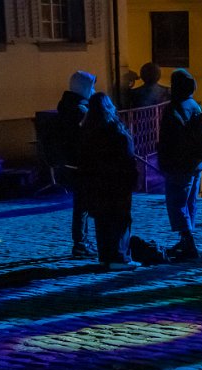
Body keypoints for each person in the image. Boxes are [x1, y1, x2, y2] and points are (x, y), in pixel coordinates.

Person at [79, 93, 141, 271]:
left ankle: (105, 256)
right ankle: (120, 257)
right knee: (120, 219)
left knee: (102, 219)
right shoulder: (117, 131)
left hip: (97, 183)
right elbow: (128, 160)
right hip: (117, 183)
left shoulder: (87, 132)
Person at [158, 68, 202, 260]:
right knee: (190, 203)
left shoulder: (174, 108)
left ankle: (188, 243)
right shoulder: (195, 105)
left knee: (176, 202)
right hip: (196, 163)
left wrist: (165, 162)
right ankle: (185, 240)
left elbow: (168, 139)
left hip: (179, 164)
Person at [57, 71, 98, 259]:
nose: (94, 90)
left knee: (81, 204)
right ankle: (80, 243)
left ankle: (82, 241)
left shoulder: (67, 106)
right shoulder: (80, 110)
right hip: (81, 164)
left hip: (71, 163)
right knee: (82, 206)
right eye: (91, 86)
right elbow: (85, 139)